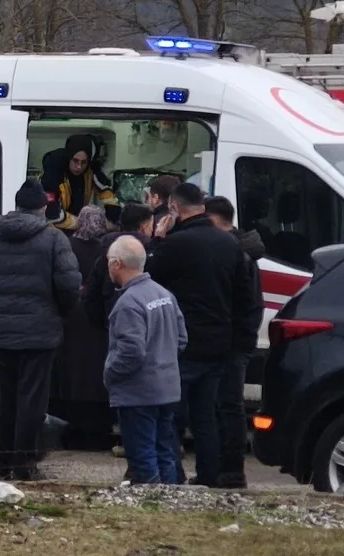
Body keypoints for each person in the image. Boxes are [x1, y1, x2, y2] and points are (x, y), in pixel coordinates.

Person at [145, 181, 260, 489]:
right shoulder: (229, 244)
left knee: (170, 413)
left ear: (174, 209)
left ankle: (173, 475)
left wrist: (157, 240)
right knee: (206, 415)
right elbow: (244, 296)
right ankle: (210, 473)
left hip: (183, 342)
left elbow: (148, 277)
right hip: (220, 343)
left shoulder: (176, 244)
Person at [0, 180, 80, 479]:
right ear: (43, 207)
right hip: (40, 334)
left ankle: (2, 465)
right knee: (32, 399)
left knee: (2, 397)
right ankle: (24, 464)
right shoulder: (54, 239)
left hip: (1, 332)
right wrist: (57, 313)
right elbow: (69, 286)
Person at [103, 236, 187, 485]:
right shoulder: (164, 295)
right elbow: (181, 339)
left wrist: (110, 372)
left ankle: (150, 499)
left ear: (117, 264)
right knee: (165, 451)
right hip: (167, 388)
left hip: (138, 392)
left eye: (109, 261)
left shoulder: (128, 303)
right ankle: (170, 499)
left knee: (142, 454)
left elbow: (131, 351)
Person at [203, 193, 266, 487]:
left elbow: (241, 303)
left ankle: (230, 471)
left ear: (214, 220)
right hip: (235, 339)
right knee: (225, 405)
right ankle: (223, 469)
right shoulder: (242, 252)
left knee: (227, 405)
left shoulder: (234, 254)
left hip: (230, 342)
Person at [53, 202, 117, 447]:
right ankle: (97, 429)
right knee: (95, 374)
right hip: (97, 321)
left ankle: (69, 427)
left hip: (70, 320)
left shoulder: (67, 245)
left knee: (70, 374)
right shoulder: (107, 249)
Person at [47, 134, 117, 225]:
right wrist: (80, 223)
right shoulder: (52, 173)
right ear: (69, 158)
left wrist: (113, 219)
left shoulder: (90, 170)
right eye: (75, 161)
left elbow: (106, 192)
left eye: (84, 162)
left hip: (77, 222)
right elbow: (51, 213)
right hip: (54, 227)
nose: (79, 167)